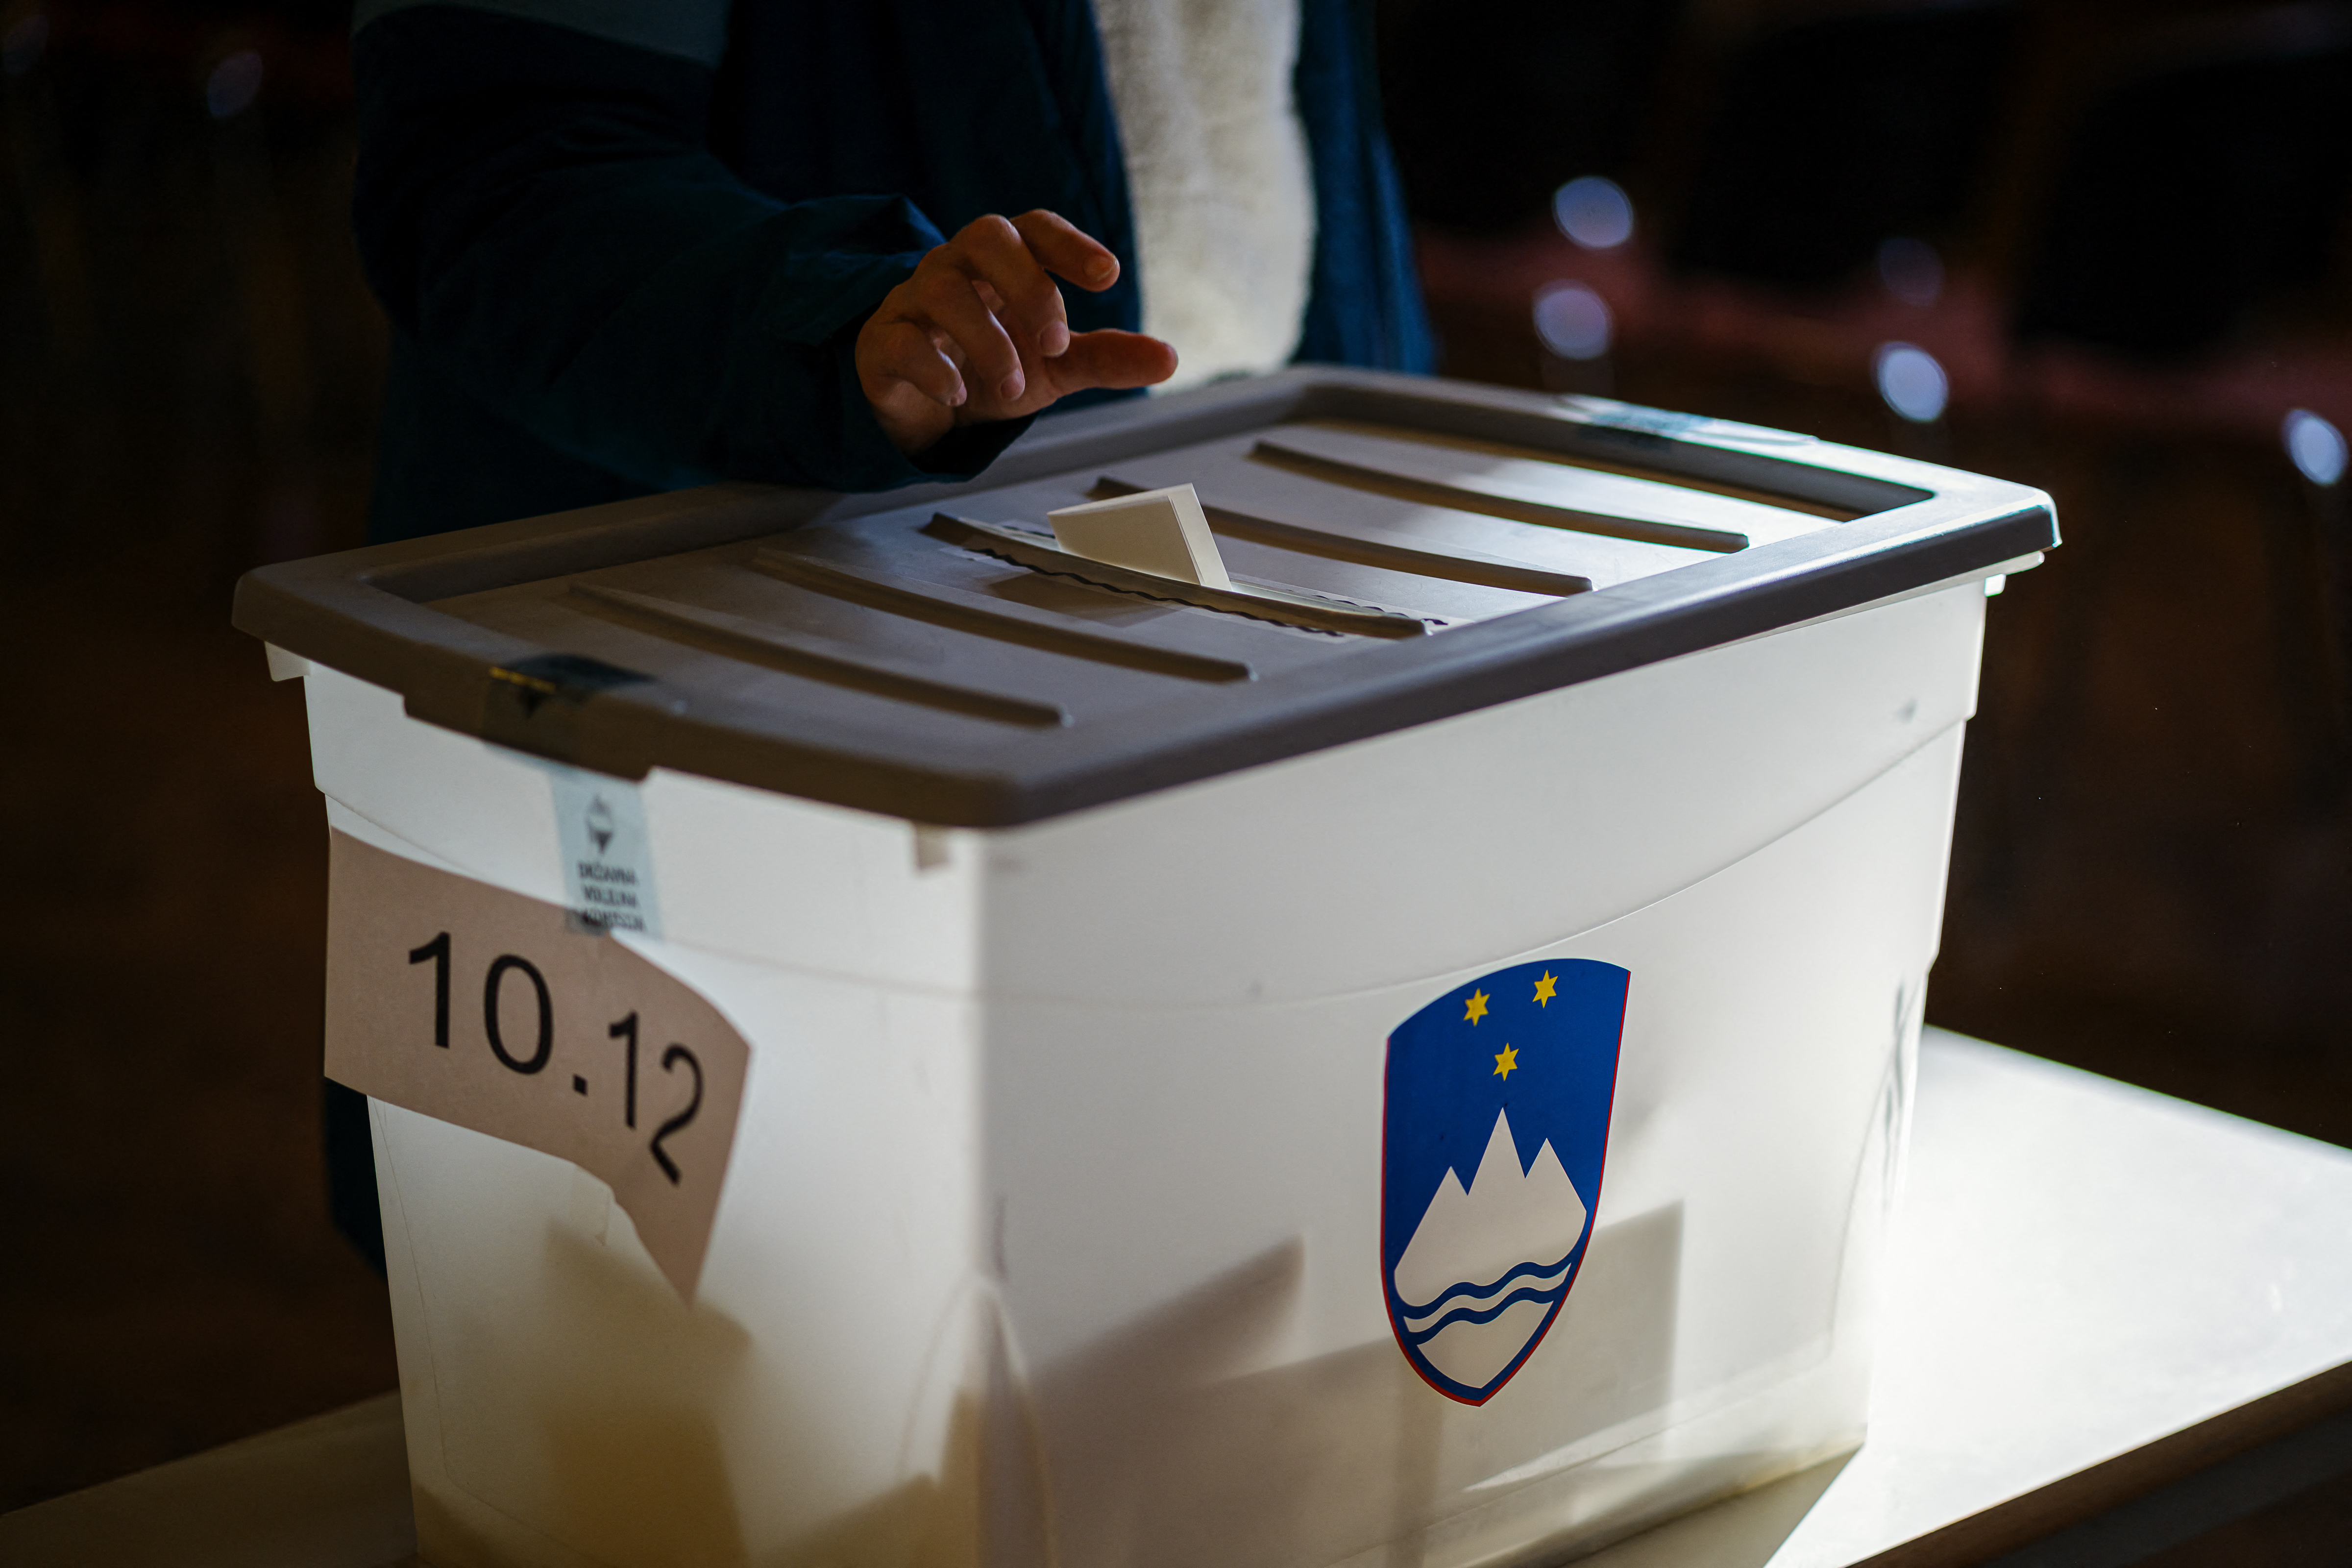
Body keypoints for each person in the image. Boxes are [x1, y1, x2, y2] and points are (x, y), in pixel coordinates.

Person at [329, 0, 1434, 1269]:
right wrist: (837, 324)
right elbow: (495, 169)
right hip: (712, 672)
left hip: (1240, 619)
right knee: (678, 1332)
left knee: (1165, 1265)